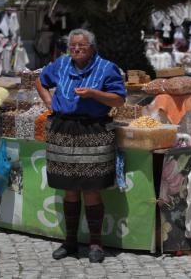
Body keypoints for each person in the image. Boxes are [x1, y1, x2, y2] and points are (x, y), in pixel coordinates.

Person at [35, 28, 126, 263]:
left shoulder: (107, 68)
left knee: (91, 187)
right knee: (69, 187)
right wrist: (49, 102)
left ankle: (96, 243)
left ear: (92, 48)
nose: (75, 49)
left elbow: (119, 99)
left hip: (93, 130)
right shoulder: (61, 64)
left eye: (81, 46)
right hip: (62, 130)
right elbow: (41, 80)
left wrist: (95, 94)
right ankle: (70, 242)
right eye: (72, 46)